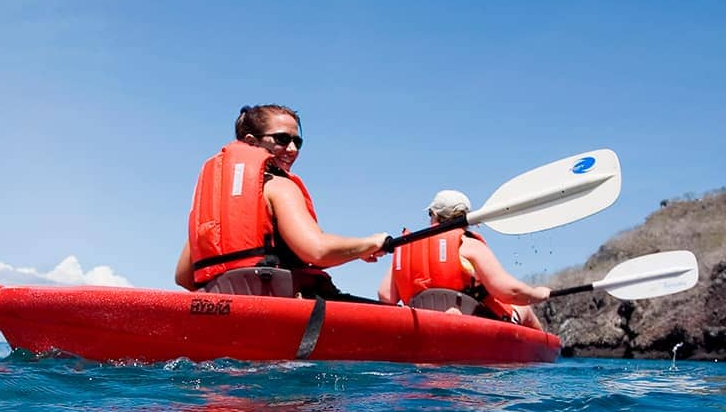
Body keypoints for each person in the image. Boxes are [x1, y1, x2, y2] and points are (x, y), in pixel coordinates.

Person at [175, 104, 388, 298]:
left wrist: (238, 286)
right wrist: (371, 242)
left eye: (298, 141)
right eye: (282, 139)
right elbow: (318, 251)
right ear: (251, 141)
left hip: (234, 311)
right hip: (287, 314)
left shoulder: (212, 208)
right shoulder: (279, 187)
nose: (293, 149)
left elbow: (183, 277)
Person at [377, 189, 551, 330]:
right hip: (470, 324)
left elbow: (386, 296)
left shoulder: (407, 247)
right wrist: (538, 294)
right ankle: (544, 353)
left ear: (433, 215)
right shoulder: (469, 245)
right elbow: (508, 291)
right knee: (524, 309)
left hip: (422, 324)